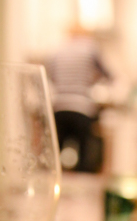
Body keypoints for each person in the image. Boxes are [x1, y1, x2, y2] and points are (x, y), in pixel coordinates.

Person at [47, 25, 112, 172]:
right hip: (82, 108)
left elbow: (50, 76)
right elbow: (108, 74)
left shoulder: (58, 50)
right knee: (84, 158)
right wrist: (94, 80)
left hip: (59, 107)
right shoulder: (90, 48)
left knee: (55, 159)